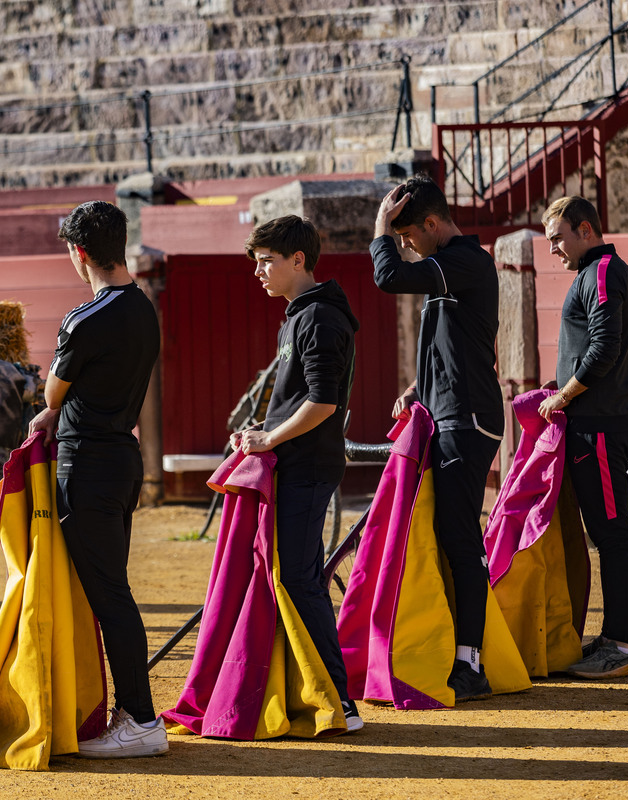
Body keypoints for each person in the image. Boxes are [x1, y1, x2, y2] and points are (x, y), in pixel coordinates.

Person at [27, 200, 165, 758]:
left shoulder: (83, 319)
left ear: (80, 253)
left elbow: (51, 396)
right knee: (112, 591)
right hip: (122, 460)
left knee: (109, 595)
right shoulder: (145, 309)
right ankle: (129, 712)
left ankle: (139, 716)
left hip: (86, 466)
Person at [371, 174, 504, 701]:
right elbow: (453, 342)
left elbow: (388, 279)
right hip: (451, 411)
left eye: (407, 236)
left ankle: (470, 661)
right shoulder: (456, 267)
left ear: (430, 224)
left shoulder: (467, 262)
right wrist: (418, 386)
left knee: (459, 539)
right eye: (398, 239)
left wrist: (380, 228)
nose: (404, 246)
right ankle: (463, 650)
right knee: (449, 535)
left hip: (467, 419)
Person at [233, 215, 362, 731]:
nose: (259, 271)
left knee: (300, 579)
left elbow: (323, 402)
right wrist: (263, 432)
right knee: (292, 576)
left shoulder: (319, 318)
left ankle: (338, 698)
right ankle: (310, 690)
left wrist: (269, 438)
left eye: (267, 261)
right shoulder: (300, 314)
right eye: (256, 261)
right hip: (296, 463)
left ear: (298, 261)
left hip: (306, 467)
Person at [537, 196, 628, 678]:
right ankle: (611, 639)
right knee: (607, 532)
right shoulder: (596, 272)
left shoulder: (601, 272)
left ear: (585, 229)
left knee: (612, 534)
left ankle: (619, 647)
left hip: (599, 425)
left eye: (558, 237)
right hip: (600, 421)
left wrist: (564, 395)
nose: (554, 249)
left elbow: (604, 348)